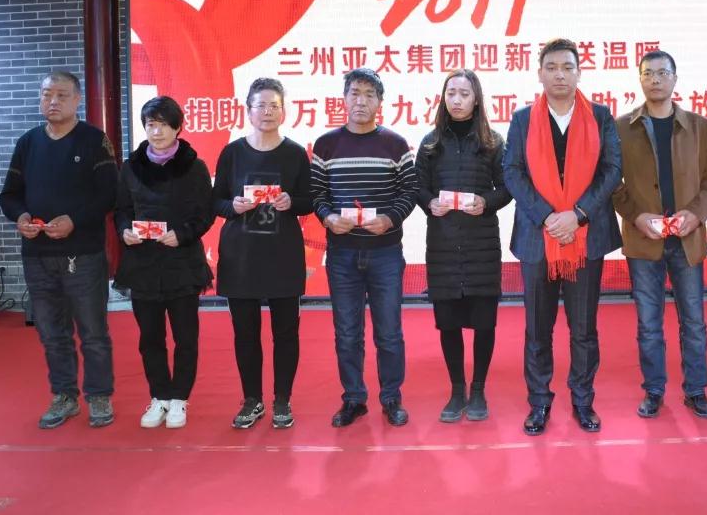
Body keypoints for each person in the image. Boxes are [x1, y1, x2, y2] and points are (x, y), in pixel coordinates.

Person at [503, 38, 622, 435]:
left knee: (583, 329)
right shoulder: (522, 119)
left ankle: (583, 400)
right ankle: (539, 402)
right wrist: (547, 217)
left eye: (567, 67)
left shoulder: (600, 117)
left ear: (579, 73)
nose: (559, 75)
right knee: (538, 329)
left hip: (586, 237)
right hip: (538, 239)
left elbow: (612, 170)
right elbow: (512, 172)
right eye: (551, 67)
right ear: (539, 74)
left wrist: (579, 215)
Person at [0, 70, 118, 429]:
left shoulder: (94, 141)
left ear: (77, 99)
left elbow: (110, 196)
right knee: (51, 333)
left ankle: (98, 396)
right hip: (36, 254)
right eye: (46, 95)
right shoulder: (28, 143)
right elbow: (9, 195)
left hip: (83, 254)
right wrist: (20, 216)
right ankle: (64, 396)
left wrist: (74, 221)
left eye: (62, 95)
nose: (52, 101)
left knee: (93, 332)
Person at [613, 50, 707, 420]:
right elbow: (612, 183)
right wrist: (636, 215)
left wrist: (696, 214)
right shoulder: (621, 127)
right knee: (648, 324)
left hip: (687, 241)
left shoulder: (699, 126)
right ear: (640, 79)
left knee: (694, 322)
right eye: (648, 73)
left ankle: (696, 391)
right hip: (644, 240)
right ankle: (654, 390)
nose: (655, 79)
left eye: (662, 73)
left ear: (675, 78)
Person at [312, 68, 419, 428]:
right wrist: (328, 217)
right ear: (344, 99)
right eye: (355, 93)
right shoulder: (326, 145)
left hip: (385, 253)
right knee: (347, 333)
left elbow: (410, 192)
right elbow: (317, 193)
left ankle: (391, 398)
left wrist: (390, 218)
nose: (361, 101)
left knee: (389, 332)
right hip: (342, 254)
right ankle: (354, 399)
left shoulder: (396, 145)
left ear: (380, 102)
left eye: (369, 95)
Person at [212, 78, 312, 429]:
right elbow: (215, 200)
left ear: (284, 111)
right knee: (246, 334)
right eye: (261, 105)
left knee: (286, 333)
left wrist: (291, 202)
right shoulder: (232, 152)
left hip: (282, 257)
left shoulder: (295, 154)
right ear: (248, 110)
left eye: (274, 106)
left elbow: (310, 200)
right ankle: (252, 400)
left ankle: (282, 399)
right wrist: (233, 206)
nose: (267, 112)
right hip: (241, 258)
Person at [415, 69, 512, 423]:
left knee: (484, 323)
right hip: (443, 244)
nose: (456, 100)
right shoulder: (430, 143)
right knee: (449, 323)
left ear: (476, 99)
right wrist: (429, 203)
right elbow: (417, 187)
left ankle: (478, 389)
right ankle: (457, 390)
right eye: (451, 93)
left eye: (464, 94)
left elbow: (507, 187)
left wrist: (486, 202)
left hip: (480, 244)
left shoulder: (492, 142)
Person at [115, 96, 214, 428]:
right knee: (150, 338)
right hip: (142, 264)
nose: (156, 132)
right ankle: (159, 396)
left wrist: (182, 234)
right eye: (150, 124)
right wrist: (124, 230)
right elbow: (121, 209)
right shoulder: (131, 166)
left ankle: (179, 399)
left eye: (163, 125)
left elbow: (205, 213)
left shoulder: (194, 167)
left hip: (182, 263)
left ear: (178, 127)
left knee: (186, 337)